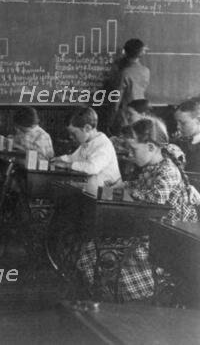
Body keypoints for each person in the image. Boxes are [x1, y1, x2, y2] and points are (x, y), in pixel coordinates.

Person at [77, 118, 198, 301]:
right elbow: (137, 187)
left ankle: (115, 301)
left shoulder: (168, 171)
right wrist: (119, 187)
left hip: (166, 241)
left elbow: (154, 202)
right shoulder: (152, 167)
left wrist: (124, 190)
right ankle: (101, 296)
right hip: (149, 230)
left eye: (133, 150)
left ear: (150, 147)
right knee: (92, 248)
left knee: (105, 253)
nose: (130, 155)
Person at [52, 107, 121, 192]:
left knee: (66, 189)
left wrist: (67, 165)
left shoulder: (103, 145)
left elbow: (92, 168)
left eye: (74, 133)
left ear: (87, 128)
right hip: (94, 186)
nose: (70, 137)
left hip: (109, 190)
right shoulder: (88, 141)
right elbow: (74, 158)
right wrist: (59, 159)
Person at [109, 39, 150, 131]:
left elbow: (117, 97)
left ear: (125, 52)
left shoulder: (125, 73)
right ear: (141, 53)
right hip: (142, 109)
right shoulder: (146, 71)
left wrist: (112, 117)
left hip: (127, 111)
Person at [174, 98, 200, 173]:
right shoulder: (177, 142)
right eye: (177, 123)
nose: (178, 127)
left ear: (198, 120)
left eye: (183, 123)